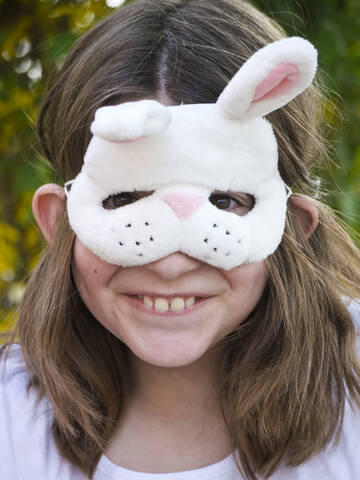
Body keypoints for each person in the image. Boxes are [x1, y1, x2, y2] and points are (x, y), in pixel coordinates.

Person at [1, 0, 360, 479]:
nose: (170, 263)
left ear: (292, 225)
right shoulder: (11, 421)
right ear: (57, 222)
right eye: (123, 199)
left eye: (226, 202)